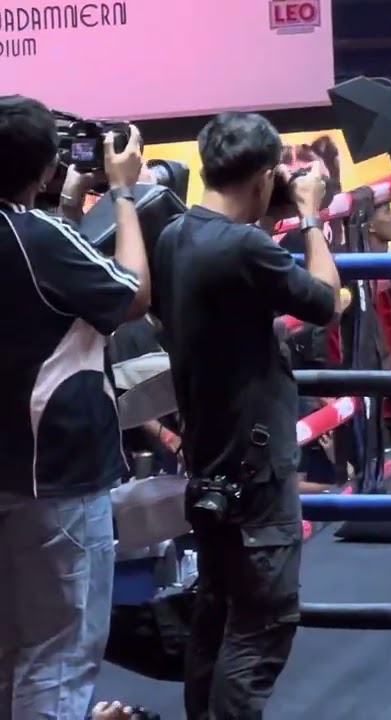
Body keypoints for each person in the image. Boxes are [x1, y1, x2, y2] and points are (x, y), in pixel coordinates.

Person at [148, 112, 340, 719]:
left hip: (210, 457)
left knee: (216, 613)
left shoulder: (174, 235)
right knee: (261, 624)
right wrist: (310, 215)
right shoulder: (245, 247)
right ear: (263, 177)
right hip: (255, 470)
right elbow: (326, 302)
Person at [0, 95, 148, 720]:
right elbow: (131, 294)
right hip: (52, 476)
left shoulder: (36, 234)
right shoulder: (36, 237)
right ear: (44, 166)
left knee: (11, 651)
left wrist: (61, 206)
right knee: (58, 656)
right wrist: (124, 194)